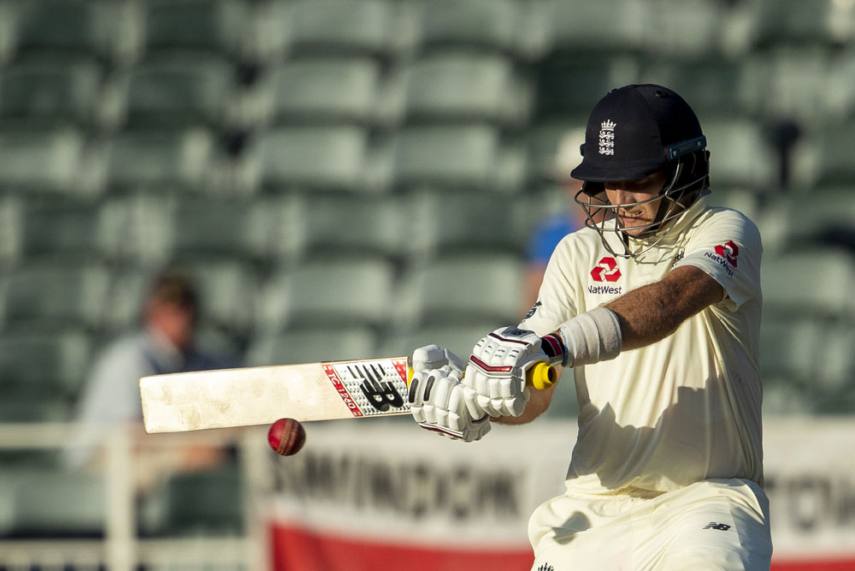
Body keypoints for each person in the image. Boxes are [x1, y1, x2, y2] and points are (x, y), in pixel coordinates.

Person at [407, 84, 772, 570]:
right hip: (593, 508)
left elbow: (670, 301)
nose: (621, 198)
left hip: (705, 502)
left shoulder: (725, 230)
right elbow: (535, 390)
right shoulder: (577, 251)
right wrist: (483, 402)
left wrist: (555, 345)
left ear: (684, 169)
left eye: (637, 179)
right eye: (607, 181)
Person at [64, 269, 234, 476]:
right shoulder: (128, 359)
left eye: (185, 306)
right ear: (153, 312)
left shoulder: (198, 359)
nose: (182, 318)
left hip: (142, 453)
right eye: (171, 308)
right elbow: (130, 436)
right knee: (200, 455)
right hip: (97, 462)